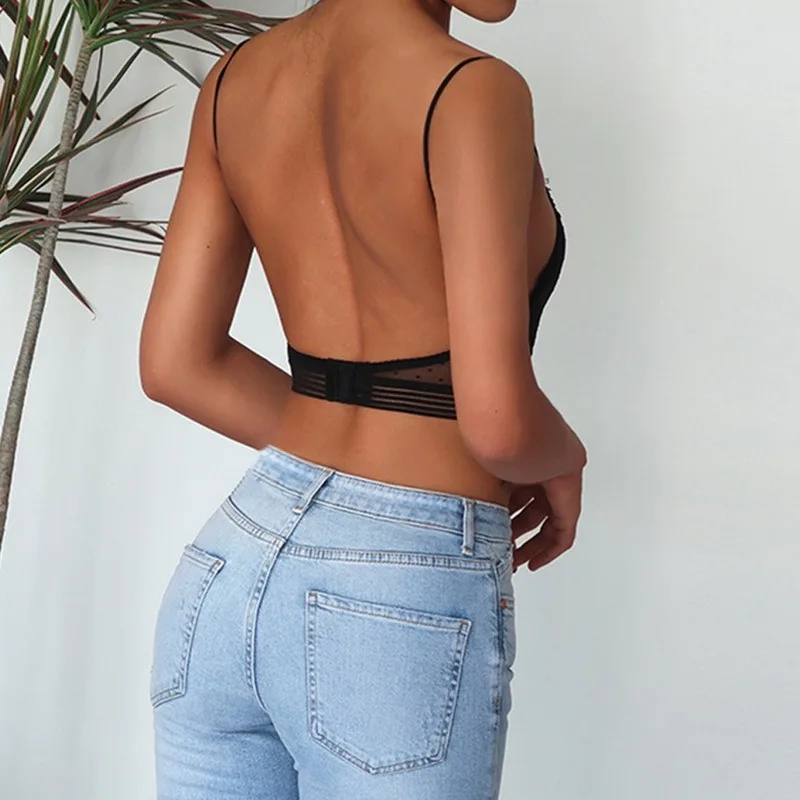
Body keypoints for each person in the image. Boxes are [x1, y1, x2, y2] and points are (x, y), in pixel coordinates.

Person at [139, 0, 587, 796]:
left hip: (227, 569)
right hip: (394, 602)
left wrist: (348, 445)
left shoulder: (233, 83)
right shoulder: (472, 90)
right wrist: (563, 457)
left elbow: (178, 364)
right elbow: (497, 422)